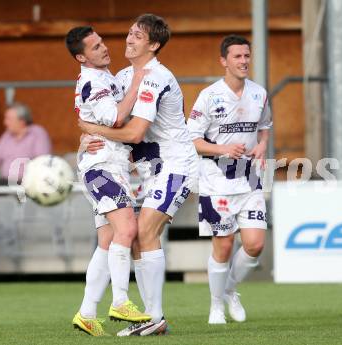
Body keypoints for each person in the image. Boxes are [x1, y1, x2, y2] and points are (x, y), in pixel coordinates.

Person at [79, 13, 199, 336]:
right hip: (150, 172)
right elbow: (110, 119)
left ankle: (153, 317)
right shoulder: (122, 77)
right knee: (134, 240)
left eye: (137, 36)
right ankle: (150, 318)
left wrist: (92, 128)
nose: (128, 39)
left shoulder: (155, 77)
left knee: (144, 230)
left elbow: (133, 133)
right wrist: (88, 135)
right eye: (129, 33)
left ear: (154, 44)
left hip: (176, 165)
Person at [65, 26, 151, 336]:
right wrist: (138, 82)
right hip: (101, 168)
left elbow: (93, 122)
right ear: (81, 56)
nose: (104, 48)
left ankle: (87, 312)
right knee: (128, 228)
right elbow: (114, 117)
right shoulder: (93, 80)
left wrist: (88, 133)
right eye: (95, 46)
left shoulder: (103, 77)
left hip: (107, 164)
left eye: (102, 42)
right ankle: (120, 301)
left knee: (107, 242)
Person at [186, 35, 272, 324]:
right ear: (224, 61)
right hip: (216, 182)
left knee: (255, 245)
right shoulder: (209, 96)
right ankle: (215, 306)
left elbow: (264, 127)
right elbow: (192, 139)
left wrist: (262, 145)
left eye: (247, 55)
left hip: (249, 182)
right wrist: (223, 148)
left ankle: (229, 290)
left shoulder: (259, 93)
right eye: (237, 56)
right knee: (223, 247)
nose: (244, 61)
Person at [0, 103, 51, 186]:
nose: (5, 123)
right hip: (6, 181)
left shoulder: (37, 133)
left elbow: (42, 161)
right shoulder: (7, 135)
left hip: (28, 183)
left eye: (8, 119)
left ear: (22, 121)